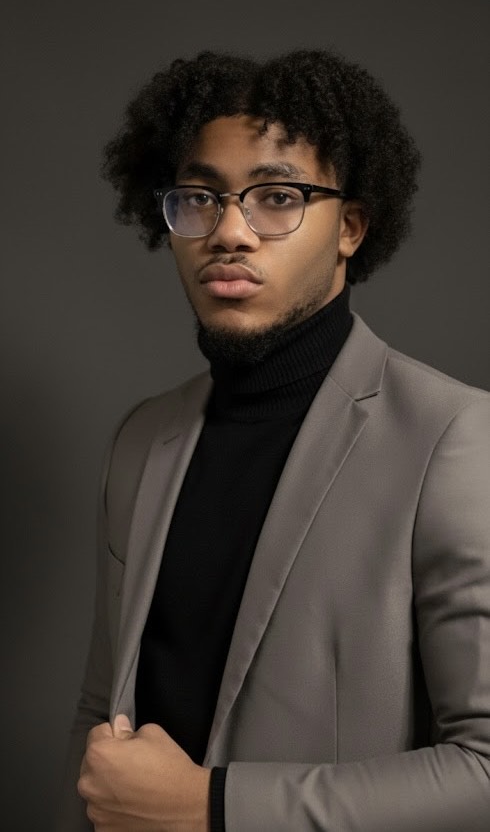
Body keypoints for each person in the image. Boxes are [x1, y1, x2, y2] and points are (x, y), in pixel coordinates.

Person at [58, 49, 490, 831]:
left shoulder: (453, 438)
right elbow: (102, 720)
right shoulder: (142, 439)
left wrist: (212, 807)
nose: (229, 231)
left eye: (277, 197)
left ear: (351, 227)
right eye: (199, 198)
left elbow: (485, 767)